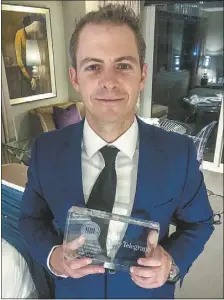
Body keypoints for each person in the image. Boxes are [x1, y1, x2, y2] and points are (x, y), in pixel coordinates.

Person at [19, 4, 214, 299]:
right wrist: (53, 257)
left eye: (123, 65)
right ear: (75, 78)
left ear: (142, 75)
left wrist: (171, 264)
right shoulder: (46, 150)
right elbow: (31, 219)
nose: (109, 81)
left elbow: (199, 222)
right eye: (93, 66)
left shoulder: (179, 153)